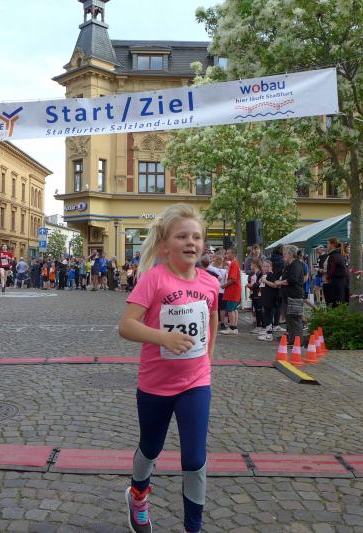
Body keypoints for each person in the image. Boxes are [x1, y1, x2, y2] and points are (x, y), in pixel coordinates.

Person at [118, 204, 218, 533]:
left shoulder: (210, 282)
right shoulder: (154, 280)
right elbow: (126, 326)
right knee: (151, 448)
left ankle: (193, 527)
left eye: (197, 237)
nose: (191, 242)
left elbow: (212, 319)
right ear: (164, 246)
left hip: (195, 383)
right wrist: (163, 337)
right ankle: (137, 496)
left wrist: (207, 359)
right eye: (182, 236)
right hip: (155, 385)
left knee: (195, 459)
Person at [274, 245, 305, 347]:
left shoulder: (296, 265)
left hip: (294, 296)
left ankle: (298, 342)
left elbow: (293, 279)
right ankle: (292, 340)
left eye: (284, 254)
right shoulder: (289, 265)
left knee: (295, 319)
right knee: (290, 319)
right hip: (288, 296)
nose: (283, 257)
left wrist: (280, 282)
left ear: (290, 254)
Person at [220, 247, 241, 335]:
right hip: (235, 290)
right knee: (234, 309)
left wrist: (223, 286)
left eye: (228, 253)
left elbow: (233, 279)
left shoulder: (233, 264)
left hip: (233, 290)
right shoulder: (235, 263)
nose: (226, 255)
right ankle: (234, 327)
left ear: (233, 254)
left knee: (230, 309)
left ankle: (232, 328)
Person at [257, 259, 279, 341]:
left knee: (269, 315)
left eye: (267, 266)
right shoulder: (264, 275)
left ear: (271, 267)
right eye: (264, 266)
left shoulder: (271, 275)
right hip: (265, 298)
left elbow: (275, 285)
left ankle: (269, 334)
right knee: (266, 314)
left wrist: (265, 281)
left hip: (270, 299)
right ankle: (267, 331)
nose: (265, 268)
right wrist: (261, 281)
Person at [323, 238, 347, 306]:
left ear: (332, 244)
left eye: (328, 244)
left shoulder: (333, 256)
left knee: (334, 304)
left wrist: (327, 277)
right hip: (340, 283)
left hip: (334, 284)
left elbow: (332, 269)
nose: (327, 245)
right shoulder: (341, 255)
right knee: (339, 303)